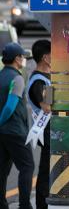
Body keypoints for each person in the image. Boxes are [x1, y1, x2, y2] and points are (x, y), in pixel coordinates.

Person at [0, 42, 34, 209]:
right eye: (22, 57)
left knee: (2, 169)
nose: (24, 60)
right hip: (15, 130)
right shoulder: (17, 78)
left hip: (2, 133)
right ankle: (24, 205)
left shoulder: (1, 75)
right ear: (16, 59)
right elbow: (10, 106)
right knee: (27, 166)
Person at [27, 40, 51, 209]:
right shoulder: (38, 81)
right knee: (45, 172)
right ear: (45, 58)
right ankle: (41, 204)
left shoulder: (45, 78)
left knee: (49, 171)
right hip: (48, 132)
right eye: (53, 54)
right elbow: (47, 107)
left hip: (51, 132)